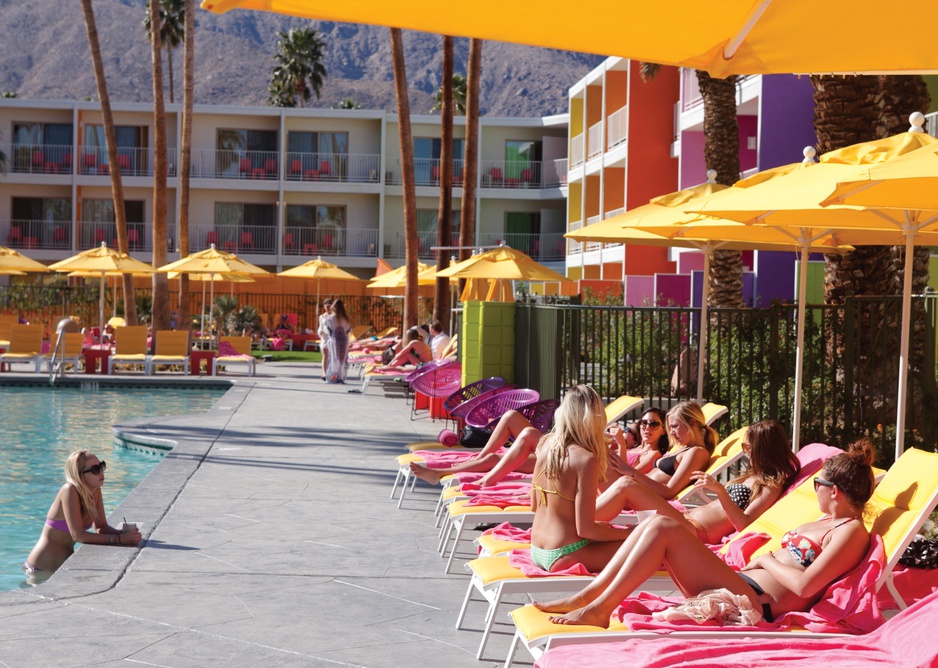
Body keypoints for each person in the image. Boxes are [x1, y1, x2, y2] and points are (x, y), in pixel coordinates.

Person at [533, 438, 875, 627]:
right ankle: (590, 598)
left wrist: (767, 559)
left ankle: (598, 608)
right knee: (655, 523)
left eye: (818, 483)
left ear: (836, 491)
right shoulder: (824, 523)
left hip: (756, 602)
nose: (813, 489)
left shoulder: (850, 532)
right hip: (742, 581)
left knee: (664, 526)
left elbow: (805, 585)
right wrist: (760, 560)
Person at [599, 420, 800, 544]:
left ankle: (581, 520)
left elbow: (744, 523)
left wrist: (720, 490)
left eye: (747, 446)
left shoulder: (771, 485)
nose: (744, 450)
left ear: (762, 449)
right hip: (685, 519)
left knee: (627, 485)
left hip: (695, 531)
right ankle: (583, 527)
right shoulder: (753, 476)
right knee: (621, 533)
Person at [409, 404, 671, 488]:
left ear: (663, 431)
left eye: (654, 425)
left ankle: (462, 475)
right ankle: (451, 472)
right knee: (510, 442)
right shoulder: (637, 445)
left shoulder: (653, 454)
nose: (647, 427)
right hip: (577, 457)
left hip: (585, 469)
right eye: (643, 423)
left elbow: (625, 472)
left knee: (525, 435)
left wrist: (620, 446)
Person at [527, 385, 633, 572]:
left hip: (537, 549)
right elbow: (586, 530)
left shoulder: (546, 444)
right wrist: (627, 533)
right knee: (647, 544)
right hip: (565, 553)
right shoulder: (586, 459)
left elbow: (534, 506)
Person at [24, 450, 142, 582]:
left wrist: (124, 534)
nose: (102, 472)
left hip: (61, 568)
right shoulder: (69, 490)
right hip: (39, 569)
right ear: (79, 475)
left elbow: (101, 527)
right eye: (95, 469)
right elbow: (78, 535)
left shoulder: (95, 489)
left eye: (101, 466)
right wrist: (119, 539)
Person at [597, 401, 717, 510]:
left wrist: (631, 472)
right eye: (670, 428)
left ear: (692, 423)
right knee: (594, 454)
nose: (671, 433)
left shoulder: (697, 453)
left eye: (675, 426)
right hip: (632, 490)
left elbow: (669, 491)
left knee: (594, 455)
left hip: (639, 497)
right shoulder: (685, 449)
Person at [324, 299, 352, 384]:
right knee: (342, 359)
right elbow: (348, 330)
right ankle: (340, 376)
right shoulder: (347, 319)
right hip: (344, 341)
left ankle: (333, 376)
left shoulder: (330, 319)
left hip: (334, 341)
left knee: (333, 358)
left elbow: (327, 330)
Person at [317, 298, 334, 381]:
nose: (327, 308)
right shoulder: (321, 316)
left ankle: (331, 372)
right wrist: (319, 331)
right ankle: (324, 373)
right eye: (326, 306)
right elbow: (320, 327)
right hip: (324, 337)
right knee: (325, 355)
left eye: (329, 306)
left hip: (332, 337)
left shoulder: (334, 316)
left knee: (332, 356)